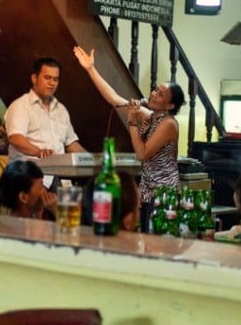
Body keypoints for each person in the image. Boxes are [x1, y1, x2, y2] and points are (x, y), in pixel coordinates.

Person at [73, 45, 183, 227]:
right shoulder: (150, 116)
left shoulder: (169, 124)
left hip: (163, 193)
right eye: (156, 90)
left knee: (156, 237)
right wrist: (90, 68)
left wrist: (132, 121)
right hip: (148, 190)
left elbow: (142, 154)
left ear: (170, 106)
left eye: (160, 94)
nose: (154, 94)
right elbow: (114, 98)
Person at [4, 57, 86, 161]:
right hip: (28, 169)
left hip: (58, 170)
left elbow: (71, 144)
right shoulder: (20, 106)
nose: (52, 83)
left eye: (55, 79)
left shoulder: (61, 110)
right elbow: (15, 138)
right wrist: (39, 152)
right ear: (34, 78)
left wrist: (92, 159)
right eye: (47, 78)